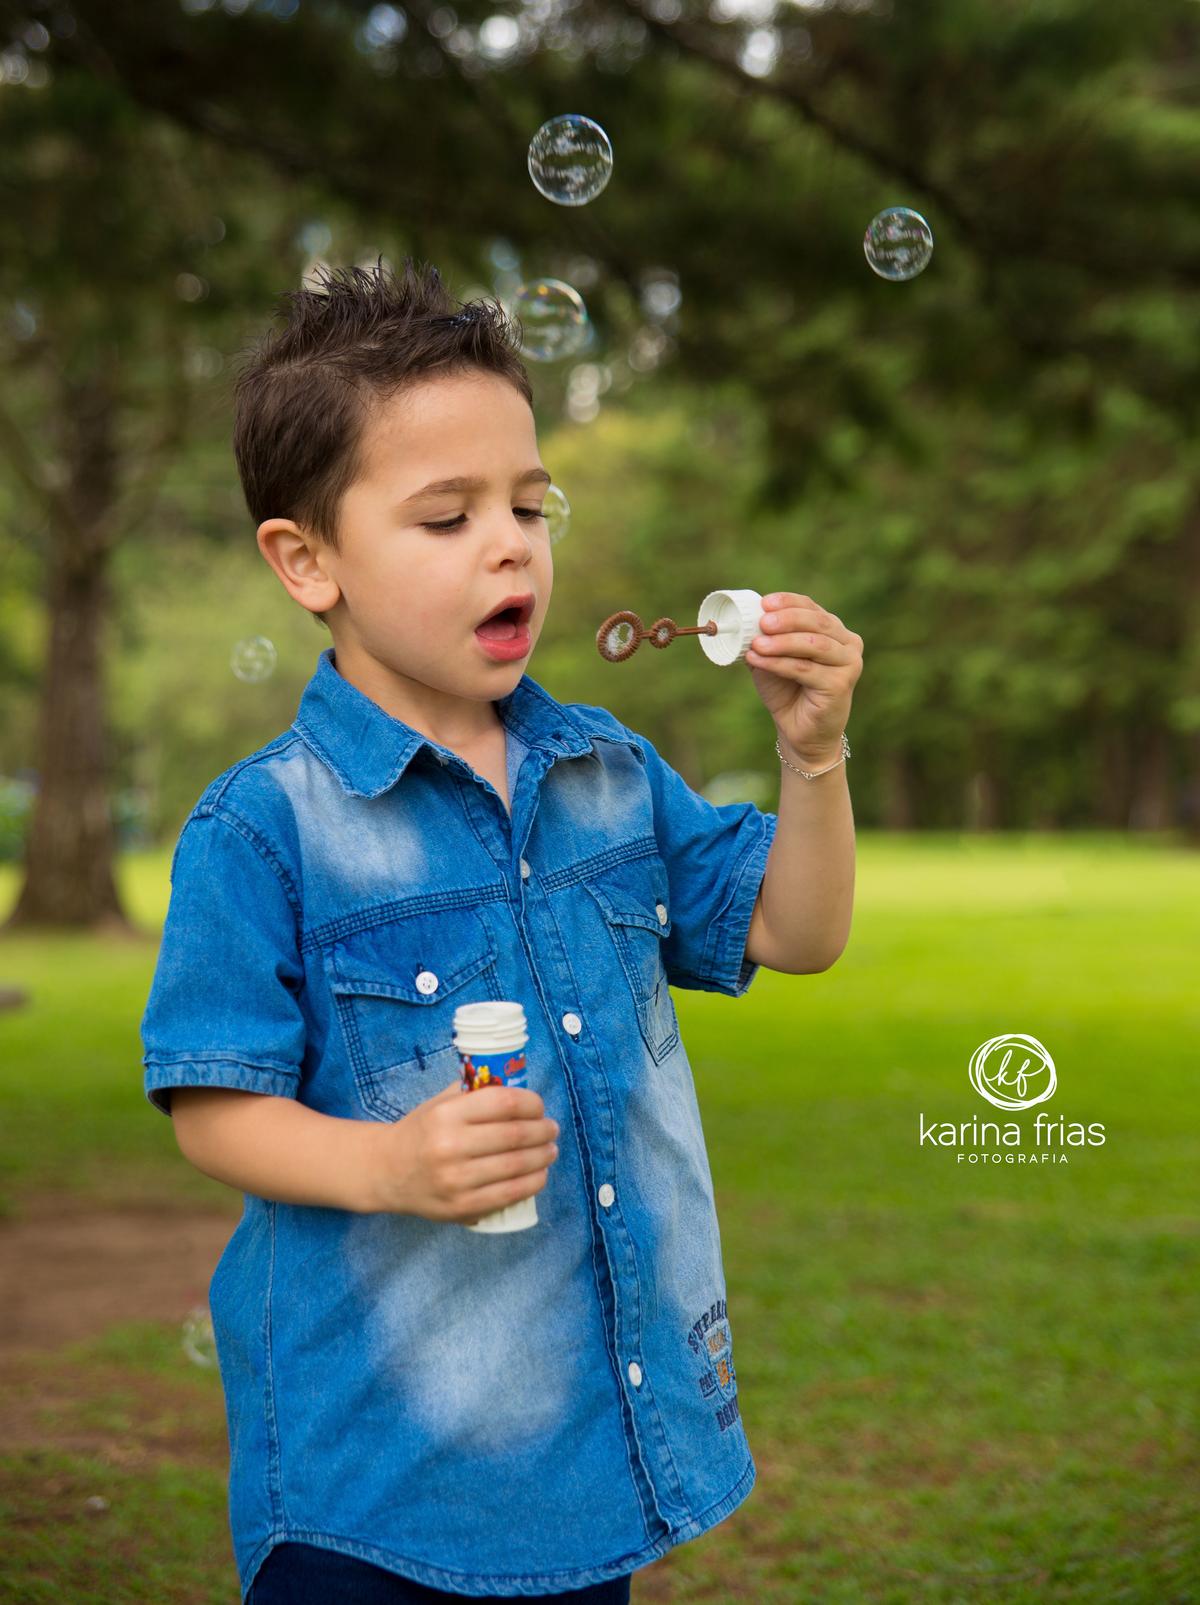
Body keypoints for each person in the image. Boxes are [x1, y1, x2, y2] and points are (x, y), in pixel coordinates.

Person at [141, 262, 862, 1605]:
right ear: (308, 562)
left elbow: (796, 928)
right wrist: (389, 1163)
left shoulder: (609, 774)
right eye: (445, 515)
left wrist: (810, 756)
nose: (511, 542)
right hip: (373, 1481)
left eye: (532, 504)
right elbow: (210, 1107)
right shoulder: (260, 831)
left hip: (585, 1451)